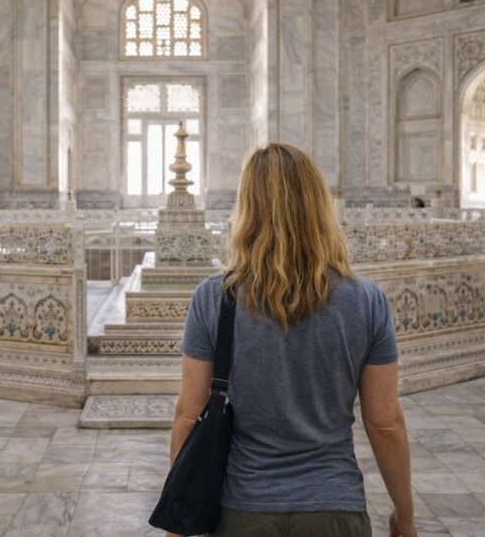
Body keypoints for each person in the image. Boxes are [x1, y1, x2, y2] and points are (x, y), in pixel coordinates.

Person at [171, 144, 415, 537]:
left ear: (246, 208)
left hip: (244, 509)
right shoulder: (366, 300)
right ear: (319, 206)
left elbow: (189, 414)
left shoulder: (214, 297)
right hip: (334, 507)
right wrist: (404, 514)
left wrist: (177, 522)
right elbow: (385, 423)